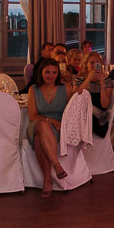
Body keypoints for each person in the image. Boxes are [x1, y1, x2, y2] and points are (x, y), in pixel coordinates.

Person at [27, 57, 74, 197]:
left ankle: (47, 181)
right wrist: (51, 121)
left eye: (54, 72)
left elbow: (72, 111)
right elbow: (33, 116)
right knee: (42, 125)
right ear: (41, 73)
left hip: (59, 128)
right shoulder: (33, 89)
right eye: (47, 72)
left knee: (38, 140)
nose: (51, 76)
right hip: (37, 124)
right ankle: (56, 164)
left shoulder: (65, 88)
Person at [75, 52, 114, 137]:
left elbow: (105, 105)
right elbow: (74, 98)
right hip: (81, 115)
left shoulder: (107, 81)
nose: (94, 65)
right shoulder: (80, 80)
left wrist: (102, 84)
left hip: (99, 118)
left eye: (97, 63)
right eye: (91, 63)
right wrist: (88, 79)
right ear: (86, 64)